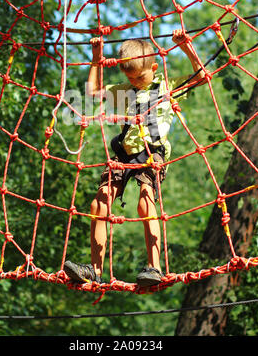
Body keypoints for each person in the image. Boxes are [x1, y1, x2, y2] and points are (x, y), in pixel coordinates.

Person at [64, 30, 206, 287]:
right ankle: (94, 270)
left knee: (145, 201)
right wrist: (97, 58)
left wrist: (187, 47)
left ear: (154, 67)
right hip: (124, 152)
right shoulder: (126, 90)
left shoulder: (167, 86)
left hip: (151, 153)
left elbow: (202, 78)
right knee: (99, 204)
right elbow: (93, 92)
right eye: (130, 78)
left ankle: (154, 267)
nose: (136, 82)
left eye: (140, 76)